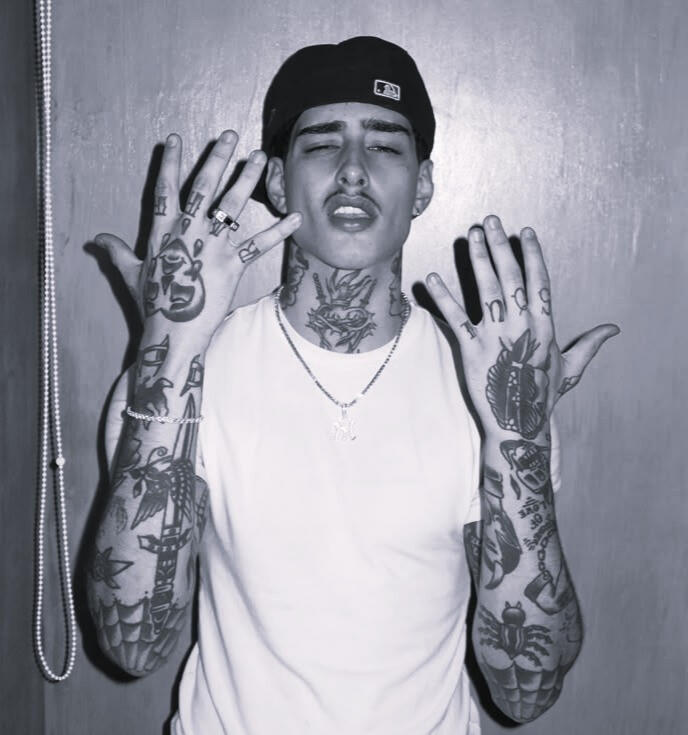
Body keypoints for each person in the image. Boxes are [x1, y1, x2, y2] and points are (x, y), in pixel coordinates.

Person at [89, 36, 619, 734]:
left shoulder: (494, 387)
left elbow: (526, 692)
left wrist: (517, 440)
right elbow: (134, 645)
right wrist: (168, 344)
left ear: (422, 185)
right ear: (277, 182)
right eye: (320, 144)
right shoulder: (184, 369)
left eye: (385, 145)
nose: (352, 170)